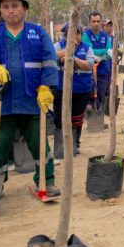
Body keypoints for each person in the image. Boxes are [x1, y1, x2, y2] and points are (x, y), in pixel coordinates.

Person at [0, 0, 60, 196]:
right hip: (1, 102)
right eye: (5, 7)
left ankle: (46, 181)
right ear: (1, 11)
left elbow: (49, 61)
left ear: (24, 9)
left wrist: (47, 87)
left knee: (40, 145)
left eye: (14, 5)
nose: (10, 10)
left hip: (32, 101)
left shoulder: (38, 33)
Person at [53, 23, 94, 155]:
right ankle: (61, 145)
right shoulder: (58, 46)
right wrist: (67, 51)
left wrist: (72, 58)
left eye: (77, 33)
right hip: (61, 89)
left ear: (81, 35)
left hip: (81, 89)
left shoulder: (87, 49)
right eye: (70, 32)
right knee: (60, 118)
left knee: (77, 118)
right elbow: (51, 57)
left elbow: (88, 65)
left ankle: (75, 143)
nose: (74, 36)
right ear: (65, 35)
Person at [83, 12, 112, 110]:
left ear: (101, 23)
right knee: (90, 95)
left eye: (98, 21)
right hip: (90, 72)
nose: (96, 23)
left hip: (103, 70)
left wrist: (102, 56)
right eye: (93, 21)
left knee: (101, 94)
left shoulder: (104, 35)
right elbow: (90, 50)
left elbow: (109, 51)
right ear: (89, 22)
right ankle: (91, 116)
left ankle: (98, 114)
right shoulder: (86, 35)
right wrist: (104, 52)